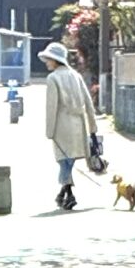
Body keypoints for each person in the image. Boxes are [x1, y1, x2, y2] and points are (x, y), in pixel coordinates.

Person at [40, 41, 97, 211]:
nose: (47, 62)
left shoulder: (53, 78)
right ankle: (63, 194)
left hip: (62, 126)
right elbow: (88, 102)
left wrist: (49, 131)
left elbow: (51, 107)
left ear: (55, 60)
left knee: (63, 161)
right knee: (68, 162)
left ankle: (69, 194)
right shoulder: (76, 75)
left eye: (49, 59)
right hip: (79, 125)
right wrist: (92, 127)